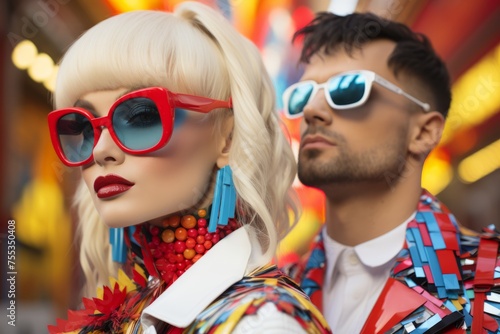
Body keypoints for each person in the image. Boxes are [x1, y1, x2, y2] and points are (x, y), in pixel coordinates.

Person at [46, 3, 331, 333]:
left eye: (140, 117)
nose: (101, 150)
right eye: (82, 126)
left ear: (227, 138)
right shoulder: (137, 311)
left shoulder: (262, 325)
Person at [281, 11, 500, 334]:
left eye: (347, 88)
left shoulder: (490, 283)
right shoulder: (272, 295)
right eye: (303, 95)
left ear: (423, 132)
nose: (312, 111)